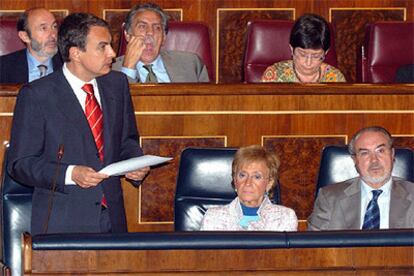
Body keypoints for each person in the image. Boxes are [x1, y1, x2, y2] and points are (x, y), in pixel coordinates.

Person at [7, 12, 149, 235]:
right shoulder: (37, 95)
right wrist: (70, 173)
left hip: (112, 218)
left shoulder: (117, 83)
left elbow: (126, 140)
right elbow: (20, 164)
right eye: (102, 47)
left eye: (110, 45)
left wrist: (135, 162)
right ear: (76, 53)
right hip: (62, 222)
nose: (112, 53)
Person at [308, 126, 414, 230]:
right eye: (364, 153)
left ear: (392, 154)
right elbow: (315, 245)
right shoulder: (329, 198)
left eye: (380, 151)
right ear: (355, 160)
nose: (374, 160)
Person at [200, 145, 298, 231]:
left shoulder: (285, 217)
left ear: (269, 183)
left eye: (257, 177)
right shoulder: (213, 218)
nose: (248, 183)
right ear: (235, 180)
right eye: (242, 175)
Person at [112, 3, 210, 83]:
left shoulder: (191, 64)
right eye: (142, 26)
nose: (150, 32)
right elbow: (116, 104)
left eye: (157, 27)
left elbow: (209, 104)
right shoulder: (108, 70)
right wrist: (128, 69)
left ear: (163, 37)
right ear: (127, 35)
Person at [261, 14, 345, 83]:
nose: (308, 63)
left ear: (325, 52)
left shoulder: (335, 79)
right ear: (291, 49)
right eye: (302, 54)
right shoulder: (274, 76)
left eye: (316, 56)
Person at [0, 7, 62, 83]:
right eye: (44, 28)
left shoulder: (71, 63)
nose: (53, 34)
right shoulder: (3, 67)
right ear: (25, 36)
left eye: (54, 26)